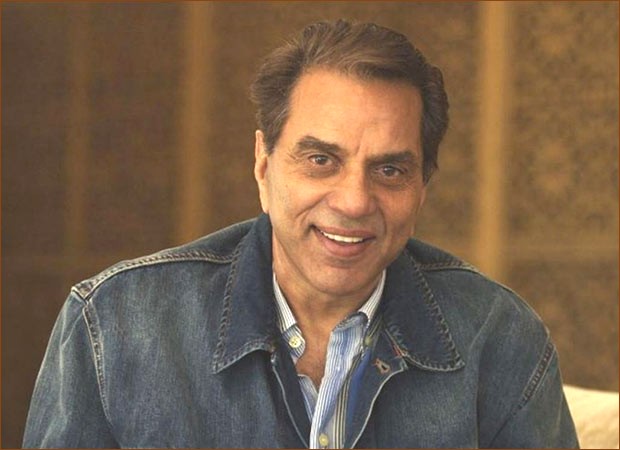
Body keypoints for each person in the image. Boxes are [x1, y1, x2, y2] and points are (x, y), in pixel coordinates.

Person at [23, 19, 578, 448]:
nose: (354, 201)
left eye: (389, 170)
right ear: (263, 164)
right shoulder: (116, 325)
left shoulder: (500, 338)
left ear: (422, 187)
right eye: (320, 160)